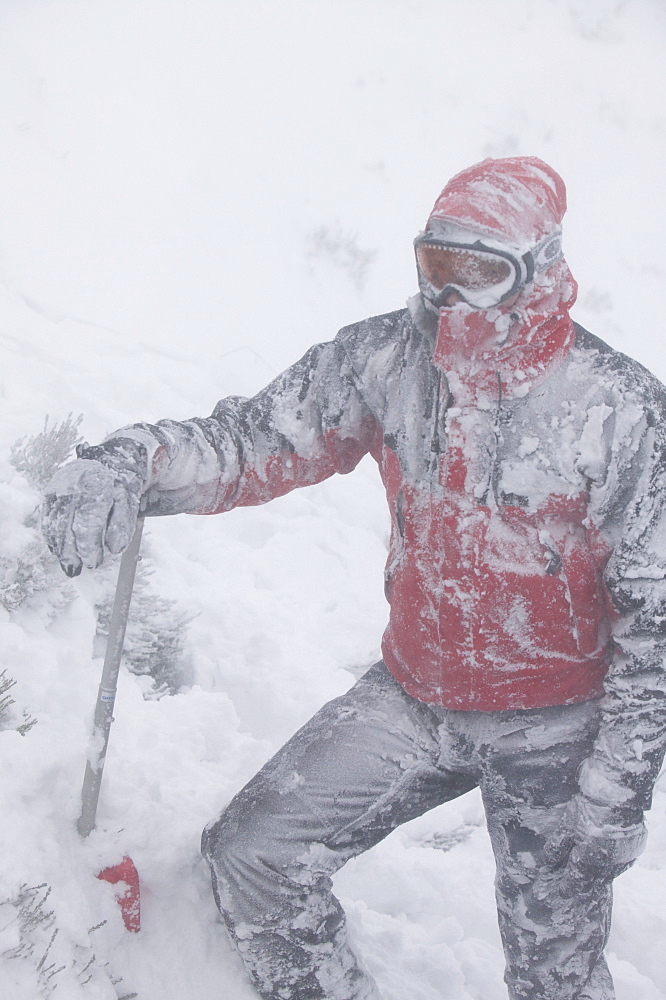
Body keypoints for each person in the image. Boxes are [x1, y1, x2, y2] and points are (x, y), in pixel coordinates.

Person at [43, 156, 666, 1000]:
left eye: (480, 272)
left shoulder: (619, 408)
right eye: (435, 266)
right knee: (254, 858)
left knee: (555, 975)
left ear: (538, 274)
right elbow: (255, 440)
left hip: (556, 725)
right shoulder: (388, 359)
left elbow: (655, 622)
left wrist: (617, 791)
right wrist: (130, 462)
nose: (450, 296)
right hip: (416, 693)